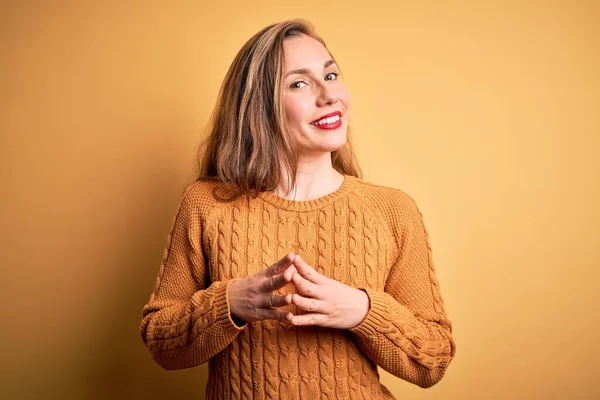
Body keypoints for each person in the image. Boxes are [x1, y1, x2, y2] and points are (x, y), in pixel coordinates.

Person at [139, 18, 456, 399]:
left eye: (332, 74)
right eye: (299, 83)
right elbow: (161, 342)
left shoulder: (392, 210)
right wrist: (230, 304)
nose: (329, 95)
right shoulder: (206, 205)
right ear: (259, 107)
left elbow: (433, 359)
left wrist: (362, 310)